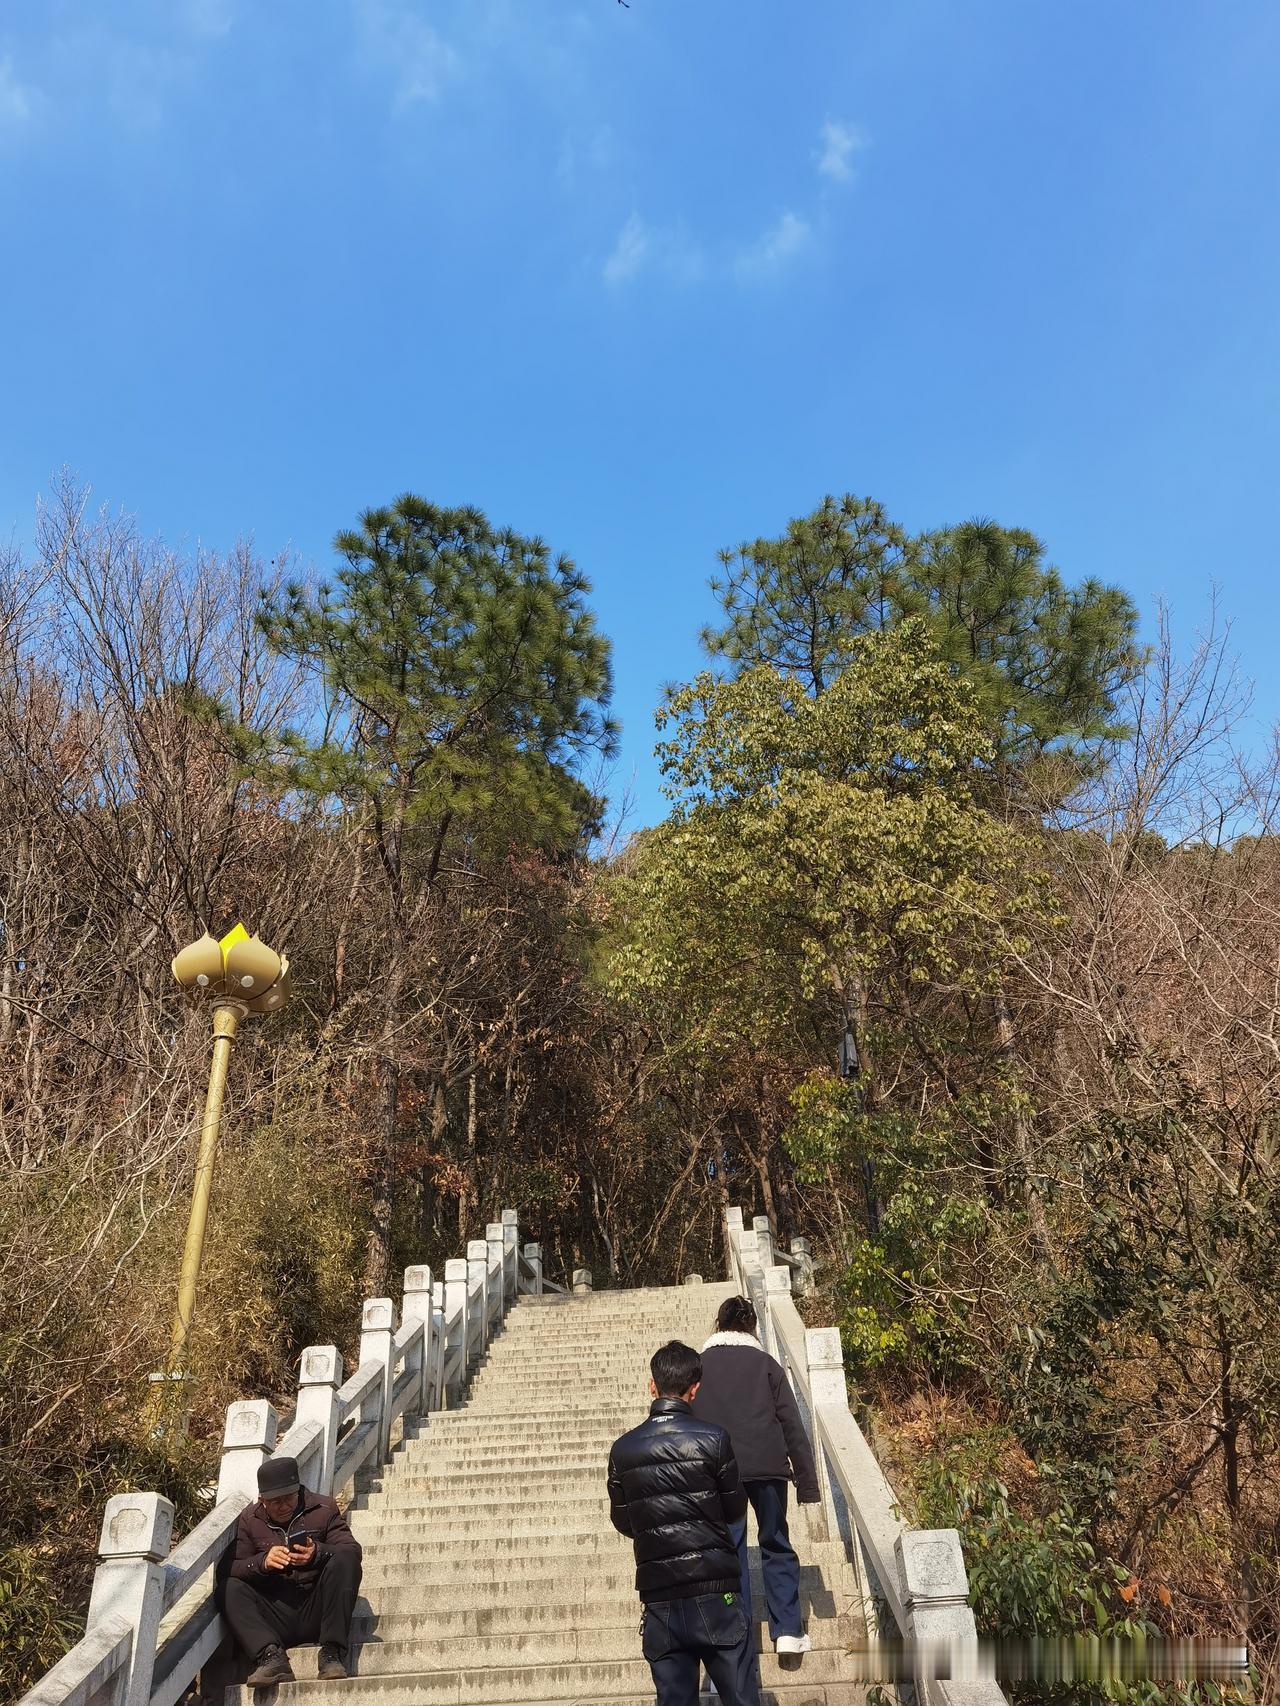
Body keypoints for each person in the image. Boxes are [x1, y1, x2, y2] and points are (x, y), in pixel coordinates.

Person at [607, 1340, 760, 1706]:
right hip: (717, 1590)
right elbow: (736, 1508)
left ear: (652, 1386)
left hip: (660, 1598)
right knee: (741, 1698)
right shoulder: (714, 1439)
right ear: (695, 1389)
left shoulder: (623, 1449)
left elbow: (624, 1520)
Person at [692, 1294, 820, 1658]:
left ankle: (734, 1637)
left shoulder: (698, 1367)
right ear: (752, 1326)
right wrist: (807, 1483)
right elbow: (792, 1424)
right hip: (767, 1467)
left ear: (718, 1324)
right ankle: (789, 1632)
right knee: (776, 1543)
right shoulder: (767, 1365)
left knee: (728, 1553)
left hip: (717, 1471)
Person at [221, 1454, 363, 1686]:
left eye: (289, 1498)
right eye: (275, 1501)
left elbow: (352, 1551)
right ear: (262, 1500)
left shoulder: (323, 1508)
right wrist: (262, 1563)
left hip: (318, 1608)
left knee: (345, 1558)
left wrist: (317, 1553)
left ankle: (332, 1652)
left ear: (298, 1490)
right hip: (275, 1612)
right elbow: (230, 1567)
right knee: (228, 1587)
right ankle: (270, 1657)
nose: (284, 1506)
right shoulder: (250, 1519)